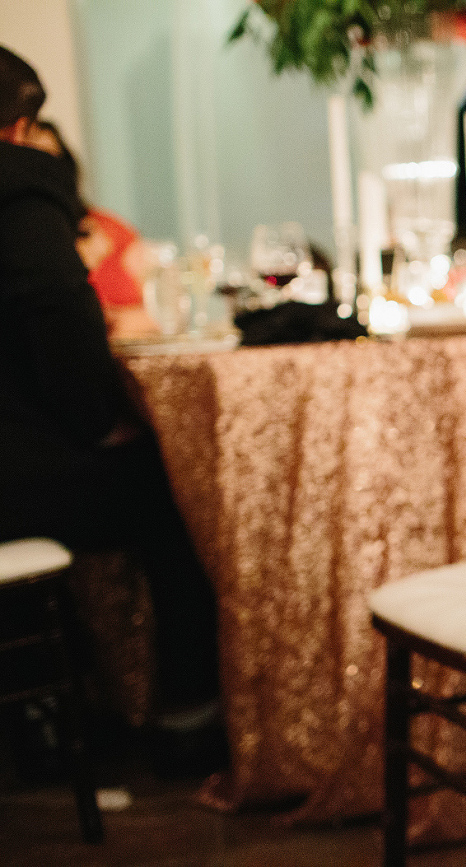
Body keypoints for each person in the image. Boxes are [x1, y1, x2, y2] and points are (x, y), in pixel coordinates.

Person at [0, 45, 221, 772]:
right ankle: (188, 715)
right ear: (21, 122)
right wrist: (101, 420)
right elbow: (59, 312)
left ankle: (42, 708)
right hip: (17, 476)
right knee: (175, 491)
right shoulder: (20, 191)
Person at [24, 118, 160, 340]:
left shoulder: (111, 229)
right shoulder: (21, 238)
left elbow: (158, 314)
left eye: (49, 159)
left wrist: (118, 321)